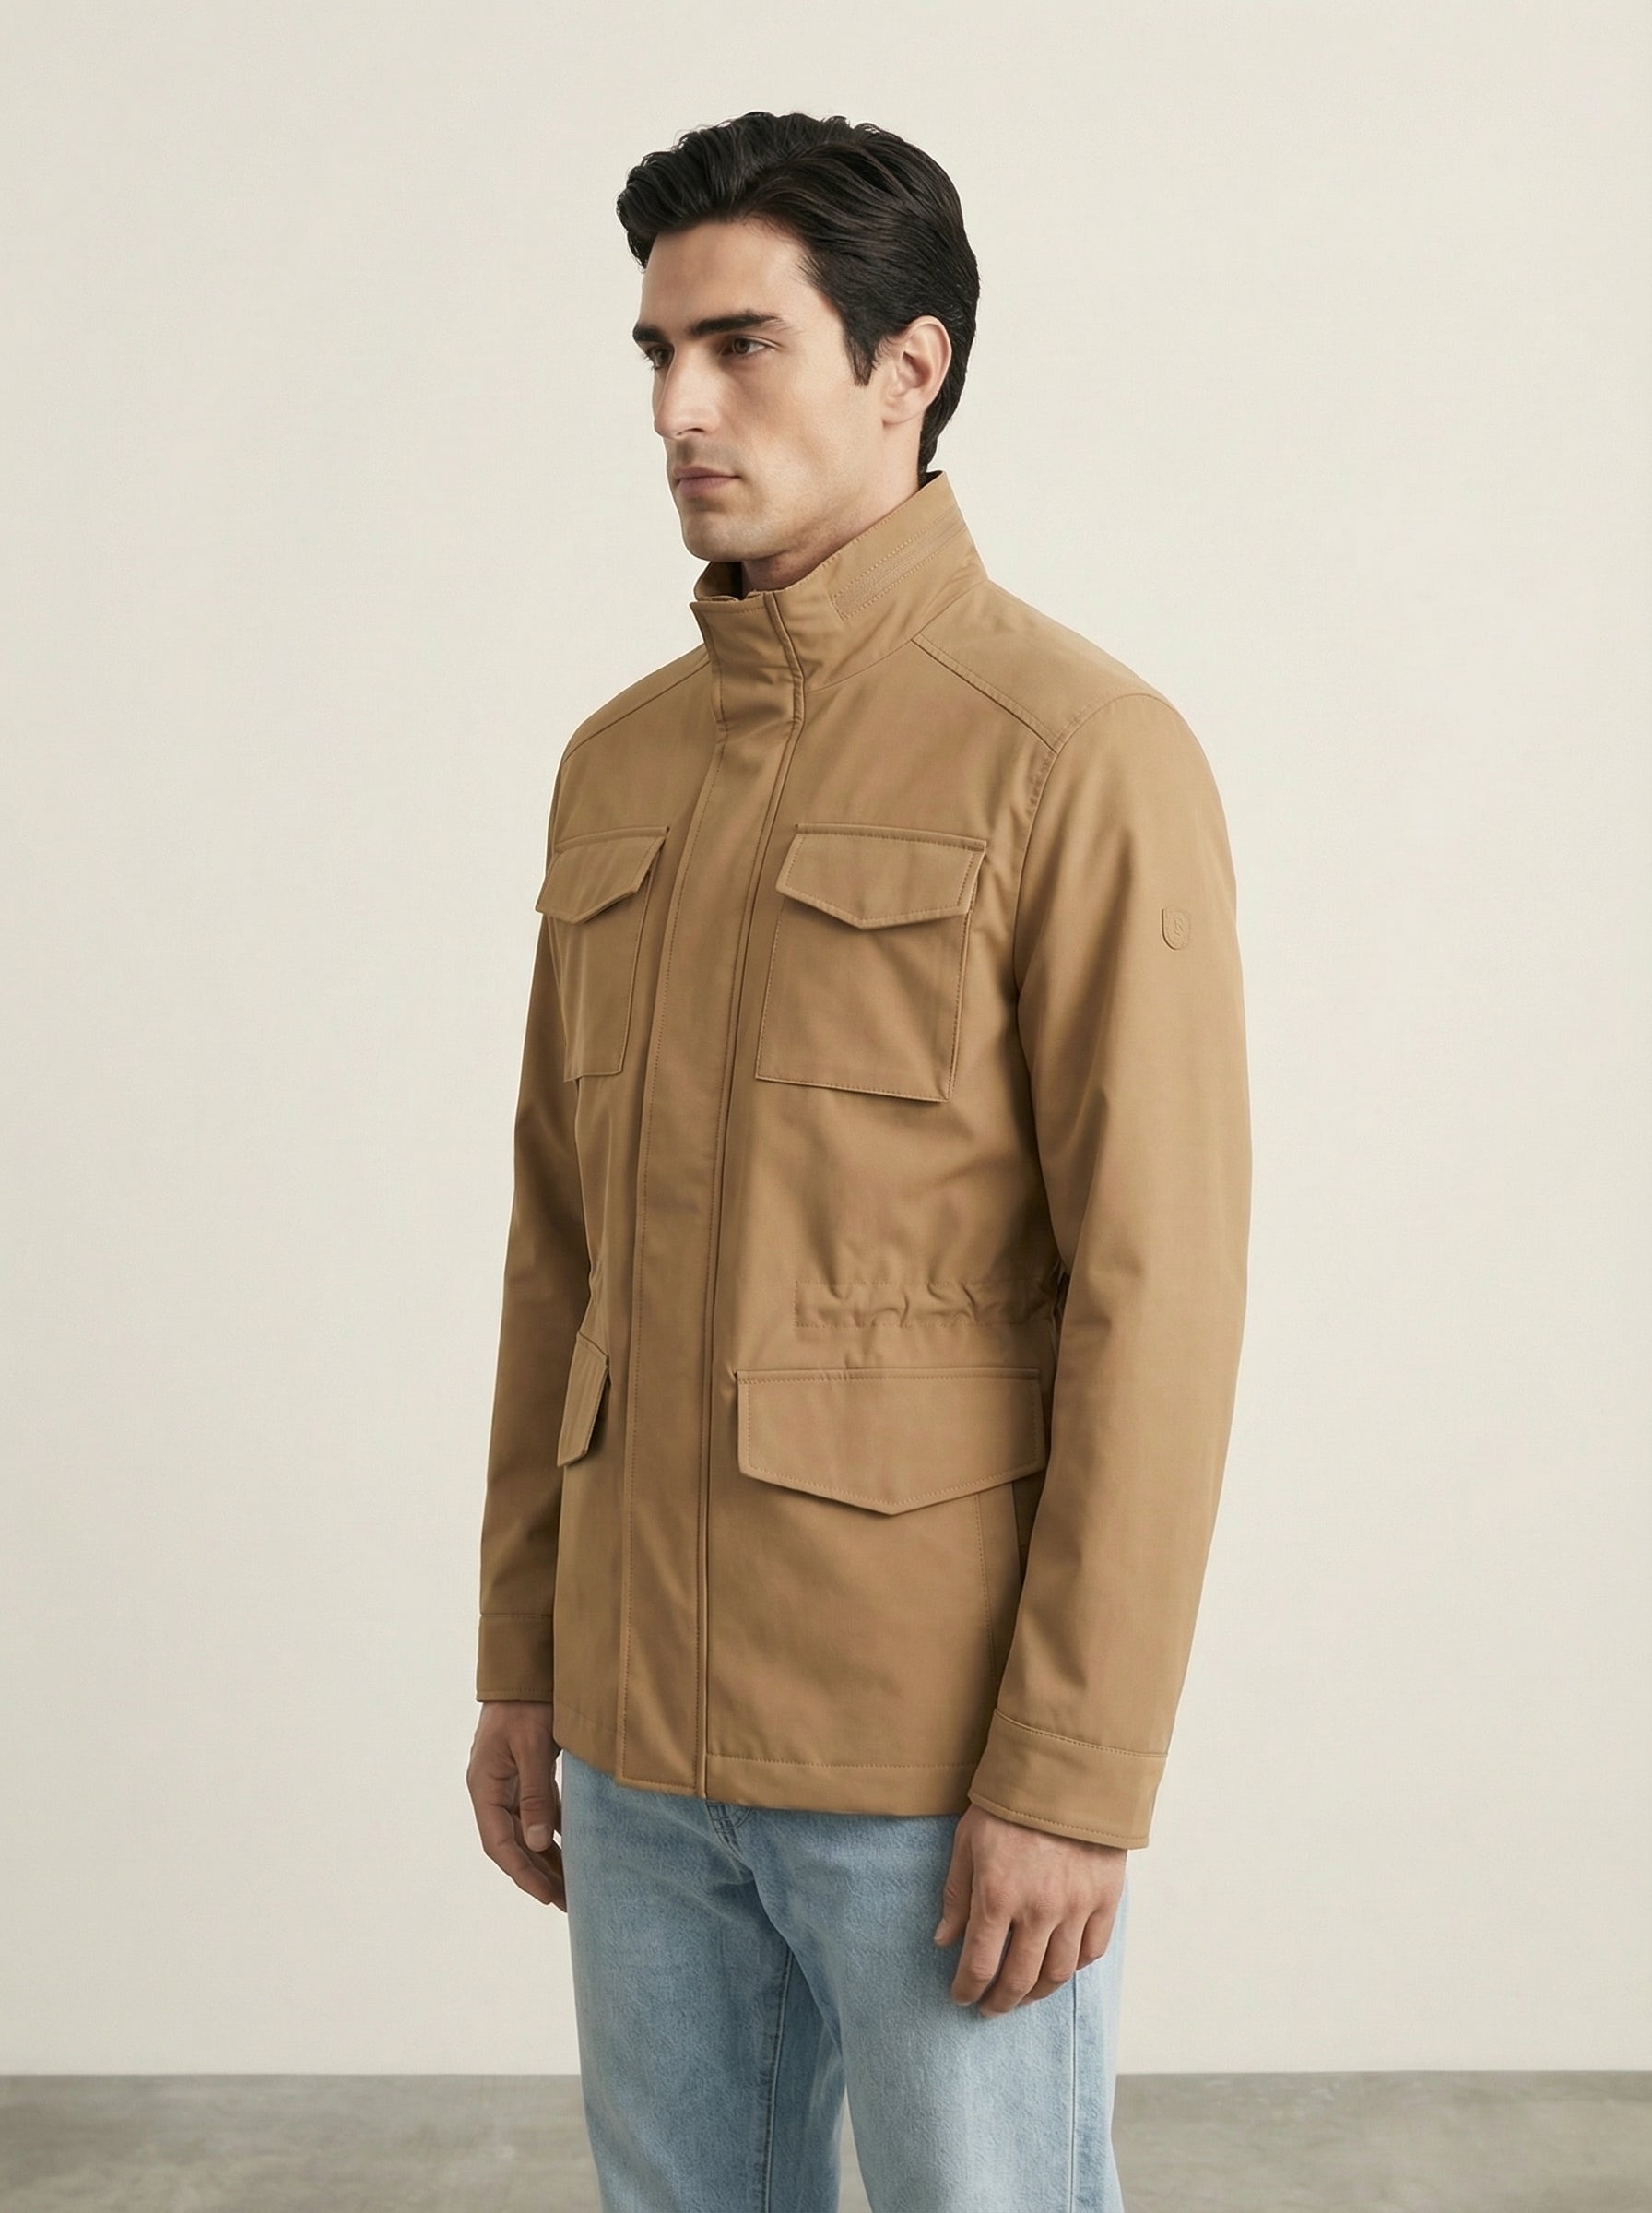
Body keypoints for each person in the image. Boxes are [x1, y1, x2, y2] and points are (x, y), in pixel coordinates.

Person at [466, 108, 1251, 2213]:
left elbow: (1158, 1294)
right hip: (634, 1752)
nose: (677, 408)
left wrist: (1072, 1773)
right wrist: (525, 1658)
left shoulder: (1075, 754)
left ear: (909, 366)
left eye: (740, 347)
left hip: (927, 1765)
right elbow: (557, 1256)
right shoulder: (620, 765)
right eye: (657, 353)